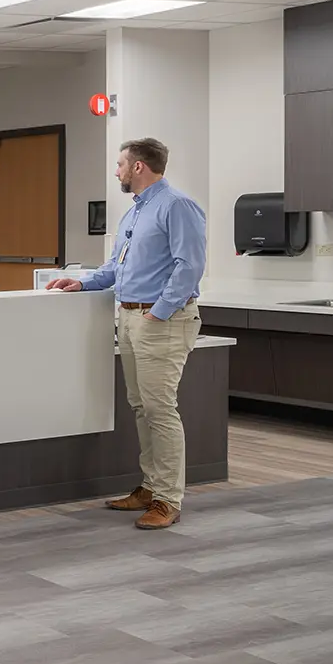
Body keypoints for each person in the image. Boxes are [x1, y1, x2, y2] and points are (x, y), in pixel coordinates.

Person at [47, 138, 207, 530]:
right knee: (142, 407)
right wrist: (82, 283)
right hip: (131, 318)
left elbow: (190, 266)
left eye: (120, 164)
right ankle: (151, 487)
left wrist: (160, 311)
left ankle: (169, 499)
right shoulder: (135, 213)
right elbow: (117, 267)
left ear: (138, 167)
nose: (116, 170)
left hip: (161, 321)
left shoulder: (176, 206)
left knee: (160, 409)